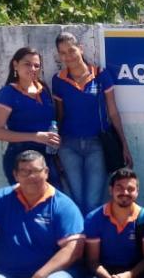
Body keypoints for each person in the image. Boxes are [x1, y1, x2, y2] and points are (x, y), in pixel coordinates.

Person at [52, 32, 134, 214]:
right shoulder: (58, 80)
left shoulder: (101, 75)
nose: (68, 56)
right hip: (68, 146)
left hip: (97, 144)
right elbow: (59, 116)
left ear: (80, 49)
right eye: (63, 53)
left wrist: (124, 145)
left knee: (92, 200)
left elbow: (113, 112)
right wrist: (55, 150)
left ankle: (91, 233)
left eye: (71, 50)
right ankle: (79, 233)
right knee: (75, 199)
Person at [0, 47, 61, 186]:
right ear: (15, 65)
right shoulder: (8, 93)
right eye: (27, 64)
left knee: (52, 196)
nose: (33, 69)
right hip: (21, 158)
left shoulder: (43, 90)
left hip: (47, 157)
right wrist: (35, 136)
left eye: (36, 65)